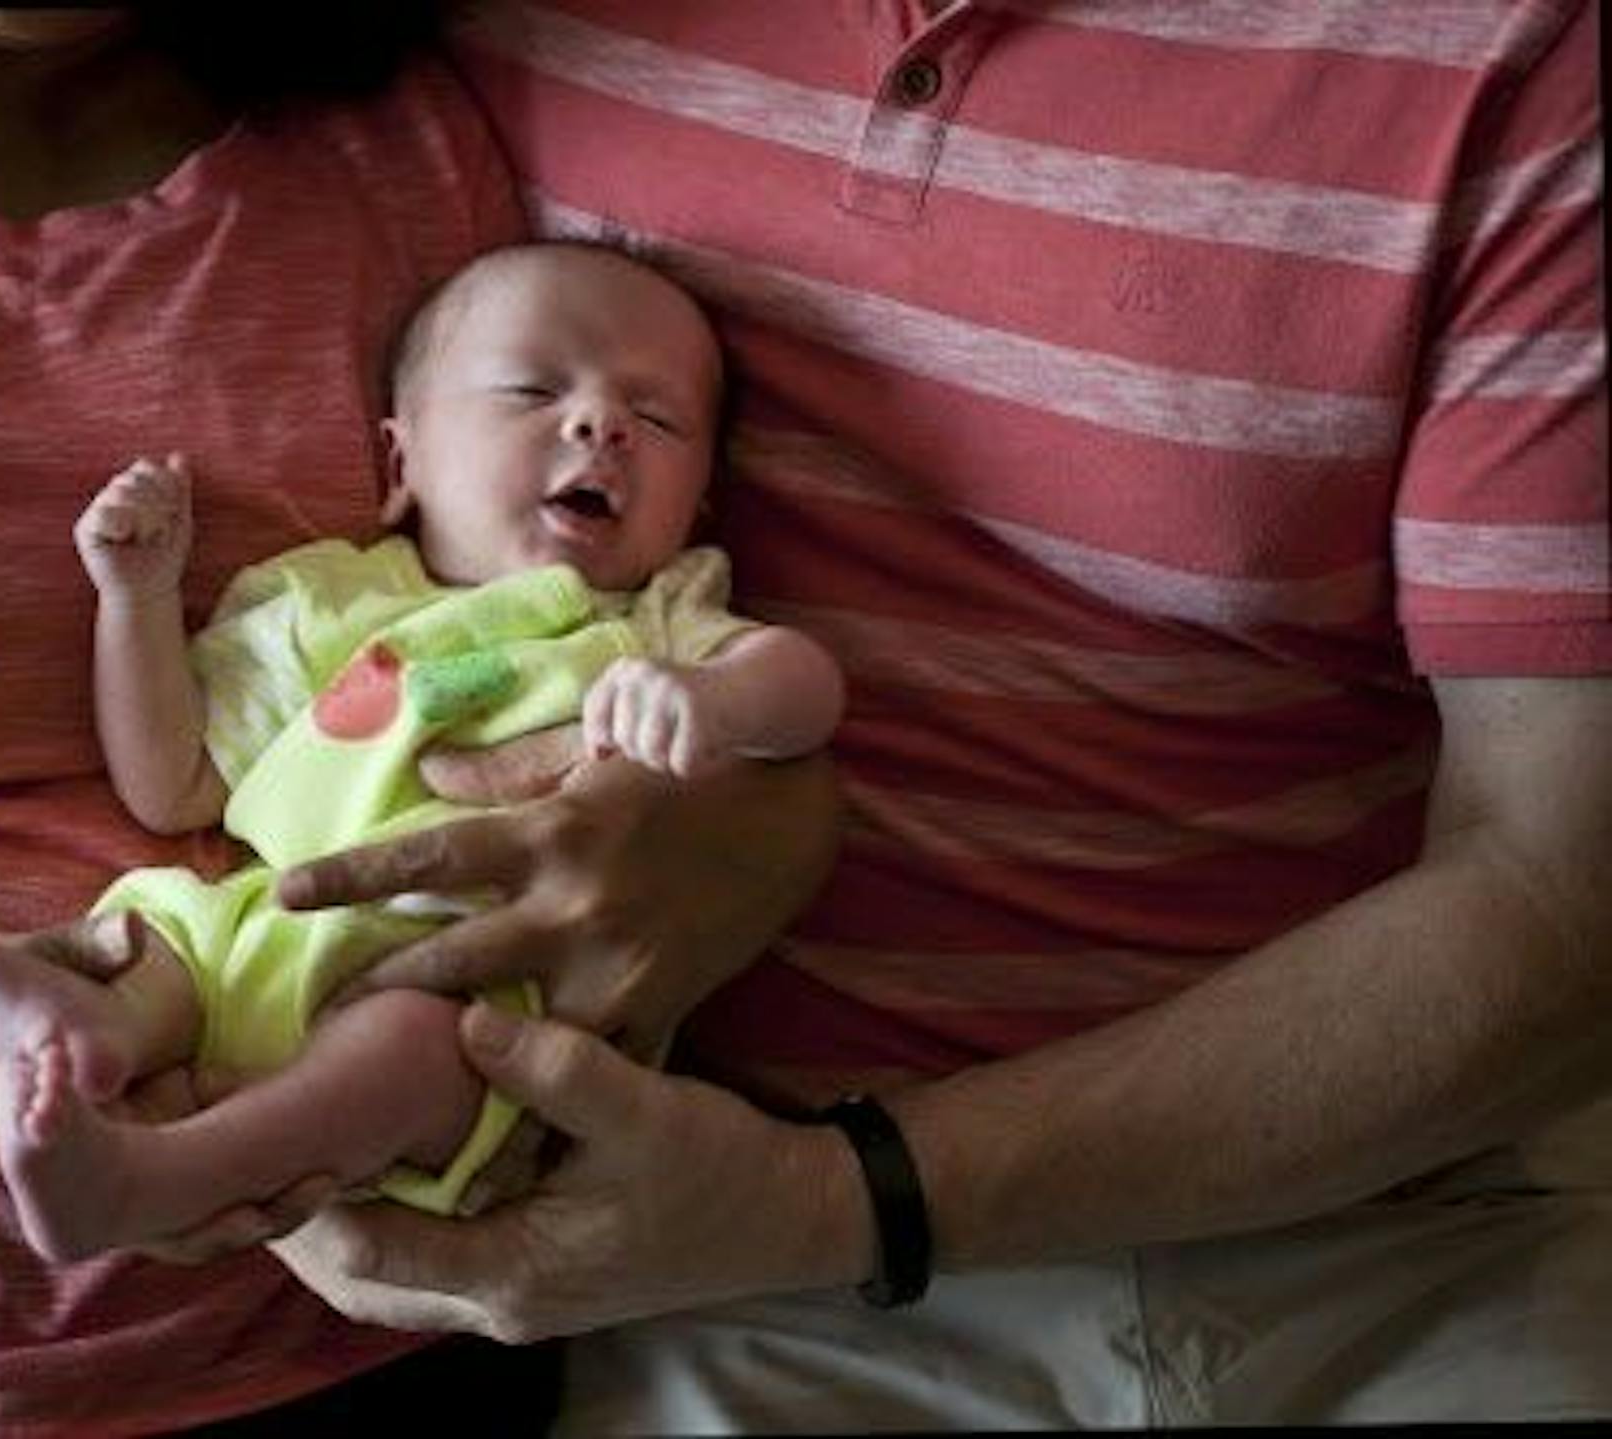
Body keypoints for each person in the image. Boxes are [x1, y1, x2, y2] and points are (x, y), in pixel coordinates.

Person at [0, 9, 845, 1436]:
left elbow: (749, 708)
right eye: (544, 399)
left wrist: (752, 837)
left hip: (343, 1328)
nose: (592, 428)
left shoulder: (436, 133)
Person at [259, 0, 1612, 1430]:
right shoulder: (491, 25)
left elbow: (1567, 888)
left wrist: (835, 1198)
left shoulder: (1520, 51)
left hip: (1375, 1208)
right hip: (686, 1211)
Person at [0, 240, 847, 1264]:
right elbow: (172, 783)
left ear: (699, 504)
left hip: (482, 1006)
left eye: (660, 418)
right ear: (402, 464)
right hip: (267, 929)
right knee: (148, 929)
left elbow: (808, 689)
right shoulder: (327, 599)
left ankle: (159, 1177)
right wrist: (135, 602)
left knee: (406, 1048)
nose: (601, 423)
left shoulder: (658, 618)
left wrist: (717, 698)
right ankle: (78, 1037)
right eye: (533, 389)